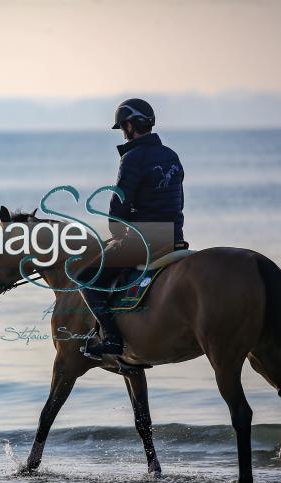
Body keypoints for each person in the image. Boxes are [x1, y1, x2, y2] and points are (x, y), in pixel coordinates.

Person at [79, 98, 186, 360]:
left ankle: (113, 339)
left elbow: (118, 210)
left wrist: (117, 236)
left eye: (123, 127)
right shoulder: (171, 155)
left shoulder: (132, 158)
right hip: (174, 238)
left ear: (129, 125)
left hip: (145, 242)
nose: (123, 133)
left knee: (85, 279)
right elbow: (178, 201)